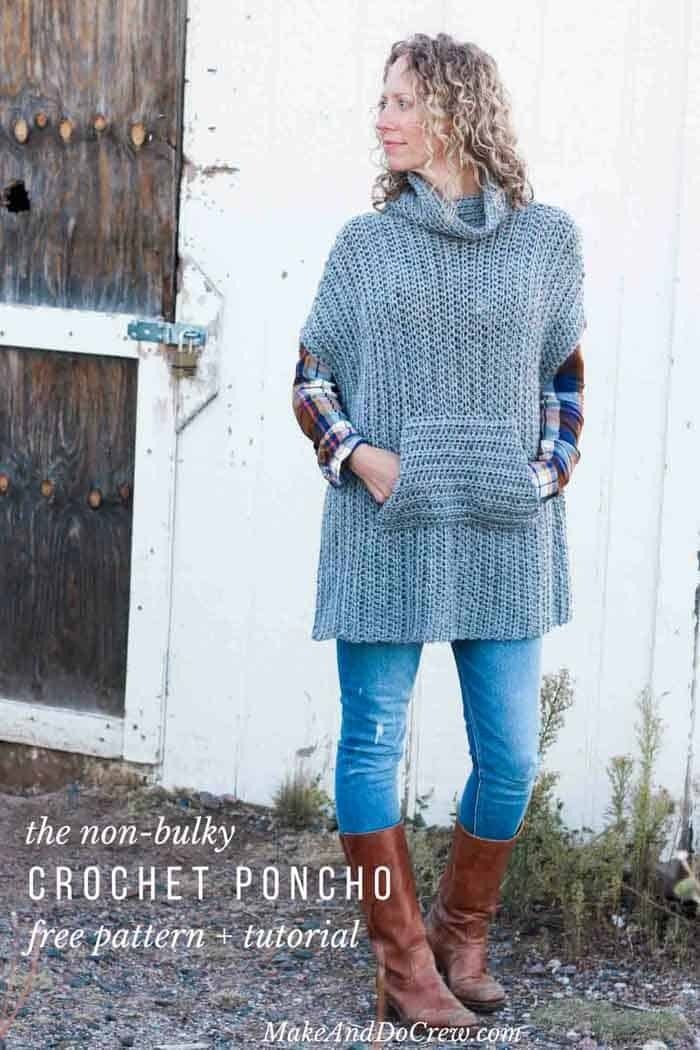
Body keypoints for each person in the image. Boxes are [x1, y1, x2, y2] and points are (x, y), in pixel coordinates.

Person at [292, 32, 586, 1032]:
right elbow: (311, 376)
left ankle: (464, 935)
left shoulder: (545, 241)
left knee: (509, 757)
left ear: (455, 112)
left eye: (401, 100)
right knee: (371, 746)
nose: (382, 118)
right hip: (386, 529)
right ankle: (403, 963)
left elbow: (564, 378)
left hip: (503, 534)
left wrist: (541, 473)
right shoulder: (364, 247)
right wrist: (362, 459)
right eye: (382, 100)